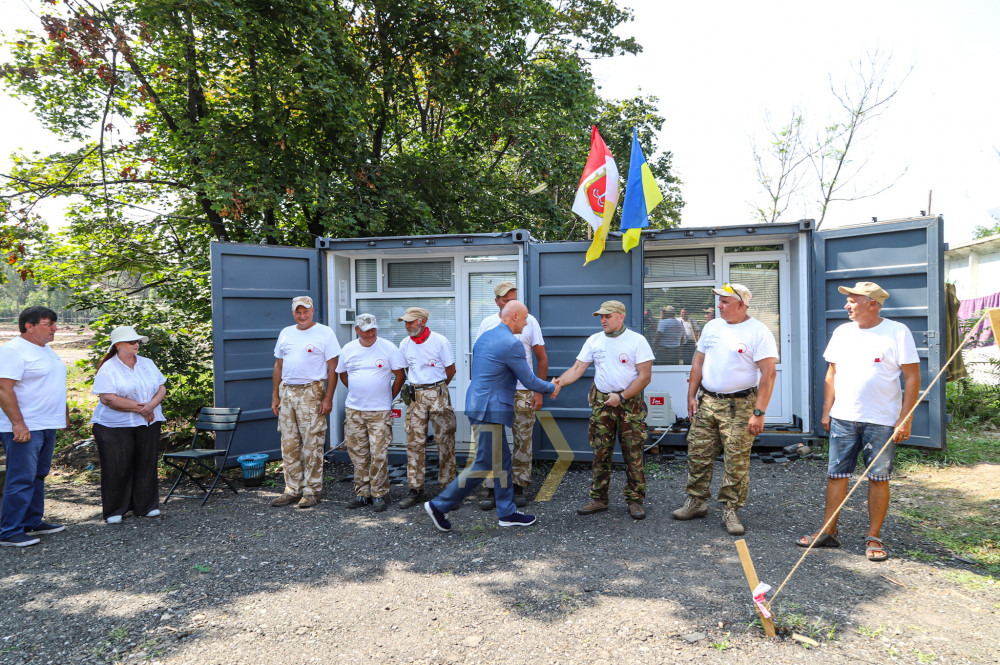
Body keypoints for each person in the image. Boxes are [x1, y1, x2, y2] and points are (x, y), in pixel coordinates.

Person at [797, 282, 919, 562]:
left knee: (878, 478)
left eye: (853, 301)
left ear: (872, 304)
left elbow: (912, 377)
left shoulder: (898, 332)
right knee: (836, 475)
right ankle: (828, 531)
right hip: (843, 417)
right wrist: (827, 411)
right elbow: (832, 374)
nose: (847, 305)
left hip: (882, 420)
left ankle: (873, 536)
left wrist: (905, 418)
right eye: (848, 300)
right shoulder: (842, 332)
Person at [424, 301, 558, 532]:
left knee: (502, 461)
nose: (527, 323)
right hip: (490, 409)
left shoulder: (485, 337)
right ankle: (439, 505)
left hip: (480, 404)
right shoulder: (512, 344)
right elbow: (527, 380)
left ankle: (507, 512)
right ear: (514, 316)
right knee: (484, 462)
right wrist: (551, 387)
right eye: (525, 318)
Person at [672, 283, 777, 536]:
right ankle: (696, 501)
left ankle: (731, 509)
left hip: (739, 406)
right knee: (698, 453)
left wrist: (759, 412)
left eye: (725, 302)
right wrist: (691, 396)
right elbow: (698, 363)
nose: (719, 306)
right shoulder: (712, 327)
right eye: (719, 301)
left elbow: (769, 374)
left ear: (741, 305)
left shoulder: (758, 331)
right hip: (707, 402)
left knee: (736, 460)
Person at [554, 300, 654, 520]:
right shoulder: (594, 340)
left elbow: (645, 376)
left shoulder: (637, 341)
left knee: (632, 454)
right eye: (601, 316)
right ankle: (599, 499)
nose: (603, 320)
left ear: (621, 316)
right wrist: (558, 383)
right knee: (600, 453)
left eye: (608, 316)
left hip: (629, 405)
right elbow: (577, 368)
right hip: (603, 404)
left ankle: (635, 500)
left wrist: (622, 397)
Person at [474, 281, 547, 510]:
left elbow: (541, 358)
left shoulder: (529, 321)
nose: (510, 304)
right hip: (495, 392)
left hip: (523, 391)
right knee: (492, 440)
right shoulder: (488, 324)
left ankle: (518, 486)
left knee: (523, 440)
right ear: (497, 302)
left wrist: (538, 391)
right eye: (506, 301)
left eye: (514, 299)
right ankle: (492, 487)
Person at [0, 306, 68, 547]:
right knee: (21, 478)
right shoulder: (13, 351)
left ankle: (32, 521)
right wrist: (18, 424)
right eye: (49, 324)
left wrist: (63, 413)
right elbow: (3, 389)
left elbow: (54, 383)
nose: (55, 329)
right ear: (29, 326)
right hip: (26, 426)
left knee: (38, 475)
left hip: (46, 423)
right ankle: (9, 531)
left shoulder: (46, 350)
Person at [91, 326, 167, 524]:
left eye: (137, 341)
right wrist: (143, 409)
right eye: (131, 341)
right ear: (117, 345)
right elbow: (108, 399)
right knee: (117, 466)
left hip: (149, 421)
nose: (136, 344)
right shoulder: (108, 368)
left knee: (146, 463)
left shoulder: (147, 363)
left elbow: (161, 388)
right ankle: (115, 509)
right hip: (114, 425)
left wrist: (151, 406)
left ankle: (146, 505)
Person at [271, 295, 340, 509]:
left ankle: (311, 491)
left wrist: (328, 397)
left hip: (312, 392)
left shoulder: (325, 333)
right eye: (298, 312)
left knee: (312, 444)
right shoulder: (286, 332)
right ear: (293, 313)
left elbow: (333, 368)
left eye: (306, 311)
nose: (302, 315)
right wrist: (275, 395)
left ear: (313, 311)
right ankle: (292, 489)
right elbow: (278, 365)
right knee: (289, 444)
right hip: (287, 393)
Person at [339, 314, 406, 512]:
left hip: (379, 411)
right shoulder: (348, 349)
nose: (371, 334)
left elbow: (400, 376)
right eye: (366, 330)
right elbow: (343, 374)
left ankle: (379, 494)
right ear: (357, 330)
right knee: (358, 453)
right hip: (354, 410)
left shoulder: (388, 347)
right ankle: (362, 493)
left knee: (378, 453)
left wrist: (388, 397)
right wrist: (357, 390)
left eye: (373, 329)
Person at [397, 306, 457, 509]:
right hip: (416, 394)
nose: (407, 326)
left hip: (438, 391)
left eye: (410, 322)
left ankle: (448, 489)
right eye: (406, 322)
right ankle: (415, 489)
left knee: (445, 441)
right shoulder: (405, 343)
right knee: (414, 443)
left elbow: (451, 370)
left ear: (422, 321)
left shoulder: (440, 341)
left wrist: (438, 389)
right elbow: (406, 369)